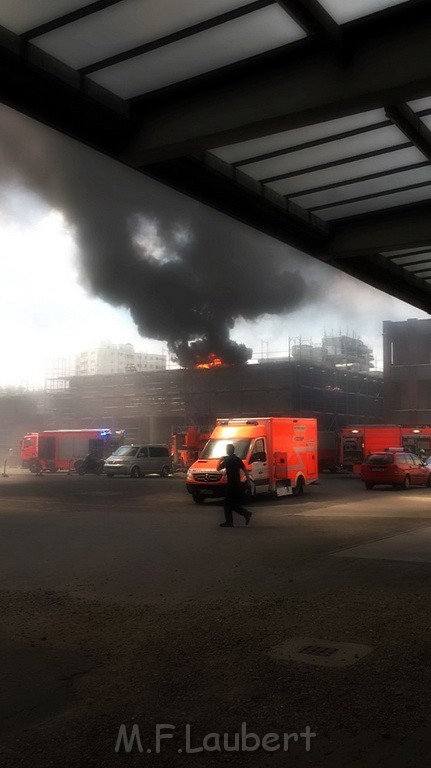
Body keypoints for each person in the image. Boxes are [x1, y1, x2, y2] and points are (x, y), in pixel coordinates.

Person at [217, 444, 253, 527]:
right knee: (232, 504)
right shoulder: (237, 459)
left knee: (227, 504)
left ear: (228, 450)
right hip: (237, 484)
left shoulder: (227, 460)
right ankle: (245, 513)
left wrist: (220, 459)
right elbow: (245, 471)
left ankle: (230, 522)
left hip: (230, 485)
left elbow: (218, 468)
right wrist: (248, 481)